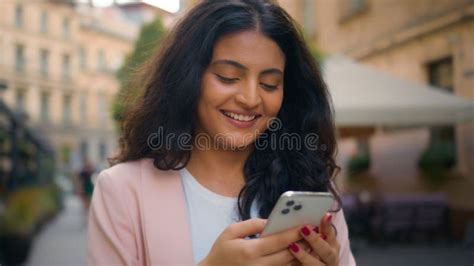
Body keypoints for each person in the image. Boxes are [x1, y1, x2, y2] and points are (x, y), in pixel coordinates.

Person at [87, 0, 356, 265]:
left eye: (269, 84)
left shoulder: (311, 186)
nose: (251, 99)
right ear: (188, 78)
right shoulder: (122, 190)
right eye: (228, 77)